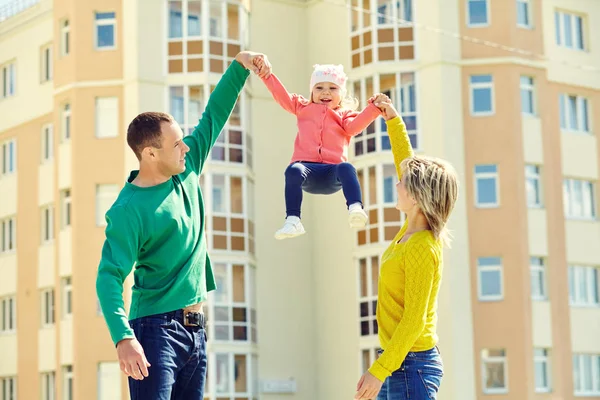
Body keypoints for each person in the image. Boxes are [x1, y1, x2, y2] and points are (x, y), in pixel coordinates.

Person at [95, 51, 271, 400]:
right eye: (176, 143)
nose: (185, 147)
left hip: (196, 331)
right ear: (150, 154)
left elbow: (213, 117)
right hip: (154, 331)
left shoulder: (185, 168)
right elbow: (109, 276)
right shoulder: (129, 210)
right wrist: (123, 337)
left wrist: (240, 66)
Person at [354, 98, 459, 400]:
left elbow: (413, 320)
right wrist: (393, 120)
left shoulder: (422, 247)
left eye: (402, 183)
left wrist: (379, 370)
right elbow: (405, 159)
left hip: (411, 366)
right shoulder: (409, 232)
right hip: (399, 361)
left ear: (416, 196)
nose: (396, 184)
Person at [254, 61, 386, 239]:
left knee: (346, 168)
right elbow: (281, 95)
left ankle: (355, 208)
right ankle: (293, 219)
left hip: (333, 174)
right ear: (311, 92)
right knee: (293, 169)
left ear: (341, 94)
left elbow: (355, 127)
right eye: (319, 87)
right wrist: (266, 75)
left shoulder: (344, 115)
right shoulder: (301, 108)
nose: (325, 92)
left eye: (333, 88)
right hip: (307, 173)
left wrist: (373, 109)